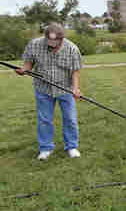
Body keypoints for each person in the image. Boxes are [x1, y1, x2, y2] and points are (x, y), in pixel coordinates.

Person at [15, 23, 83, 160]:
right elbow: (28, 63)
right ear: (45, 37)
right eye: (49, 41)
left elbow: (75, 71)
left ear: (61, 39)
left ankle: (72, 147)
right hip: (43, 88)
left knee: (70, 118)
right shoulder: (34, 44)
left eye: (55, 42)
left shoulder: (72, 48)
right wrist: (24, 70)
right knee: (44, 119)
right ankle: (45, 148)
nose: (51, 44)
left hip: (65, 88)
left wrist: (75, 89)